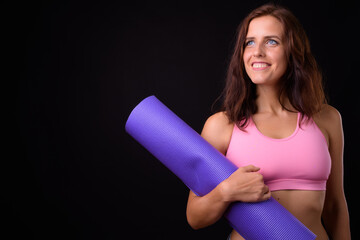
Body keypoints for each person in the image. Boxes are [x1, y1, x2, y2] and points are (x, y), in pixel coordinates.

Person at [186, 3, 351, 240]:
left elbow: (335, 206)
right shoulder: (222, 125)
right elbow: (195, 217)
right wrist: (227, 191)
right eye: (249, 42)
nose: (257, 52)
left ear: (293, 51)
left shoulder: (327, 119)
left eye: (271, 41)